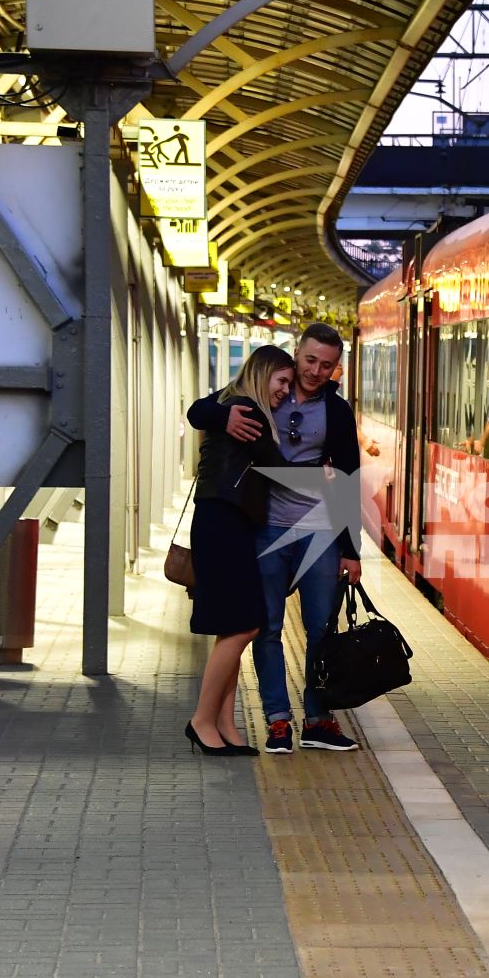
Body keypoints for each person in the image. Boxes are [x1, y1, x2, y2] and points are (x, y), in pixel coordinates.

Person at [190, 322, 363, 754]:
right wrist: (222, 414)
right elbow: (197, 411)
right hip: (264, 525)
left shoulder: (337, 412)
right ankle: (278, 720)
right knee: (263, 626)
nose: (315, 371)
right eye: (309, 361)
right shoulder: (258, 393)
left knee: (321, 626)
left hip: (319, 530)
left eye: (327, 365)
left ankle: (319, 720)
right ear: (295, 354)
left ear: (335, 369)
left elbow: (348, 477)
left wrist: (350, 548)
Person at [187, 344, 295, 757]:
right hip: (222, 522)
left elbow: (201, 409)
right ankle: (201, 721)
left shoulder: (235, 403)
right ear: (262, 372)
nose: (285, 390)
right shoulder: (246, 409)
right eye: (281, 380)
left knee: (233, 627)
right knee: (245, 626)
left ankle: (225, 722)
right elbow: (277, 468)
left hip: (227, 522)